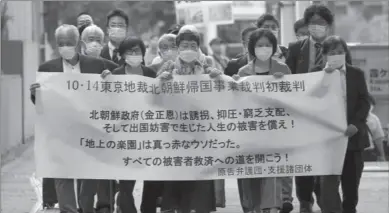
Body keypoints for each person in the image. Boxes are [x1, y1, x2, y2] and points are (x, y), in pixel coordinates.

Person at [30, 24, 113, 213]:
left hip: (90, 131)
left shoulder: (96, 64)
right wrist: (35, 94)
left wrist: (111, 78)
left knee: (88, 178)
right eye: (61, 43)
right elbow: (41, 104)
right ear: (56, 44)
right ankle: (68, 210)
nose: (65, 46)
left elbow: (119, 80)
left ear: (77, 43)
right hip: (61, 133)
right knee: (63, 176)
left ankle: (85, 208)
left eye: (69, 43)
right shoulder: (47, 69)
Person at [157, 29, 223, 213]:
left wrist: (218, 78)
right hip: (174, 132)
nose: (188, 49)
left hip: (200, 131)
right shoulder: (168, 66)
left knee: (199, 178)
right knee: (178, 177)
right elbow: (153, 94)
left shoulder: (207, 64)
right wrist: (160, 81)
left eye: (193, 46)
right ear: (177, 48)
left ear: (198, 47)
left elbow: (221, 92)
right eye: (184, 46)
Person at [233, 28, 291, 213]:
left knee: (272, 173)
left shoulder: (283, 69)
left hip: (275, 132)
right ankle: (251, 208)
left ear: (274, 47)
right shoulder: (243, 72)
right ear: (252, 48)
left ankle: (272, 207)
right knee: (250, 174)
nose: (264, 48)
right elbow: (236, 104)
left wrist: (285, 84)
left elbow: (295, 100)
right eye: (260, 45)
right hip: (249, 132)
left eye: (268, 45)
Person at [285, 5, 335, 212]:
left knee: (324, 159)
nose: (317, 26)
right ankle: (305, 200)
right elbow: (287, 78)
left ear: (329, 26)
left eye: (322, 22)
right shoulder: (296, 49)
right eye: (313, 22)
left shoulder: (337, 48)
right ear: (307, 25)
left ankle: (324, 197)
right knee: (304, 159)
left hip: (329, 114)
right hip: (302, 113)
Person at [318, 35, 370, 213]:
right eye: (332, 52)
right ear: (324, 55)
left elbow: (365, 101)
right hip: (328, 141)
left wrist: (356, 123)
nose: (337, 55)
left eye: (340, 52)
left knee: (351, 188)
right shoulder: (315, 74)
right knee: (327, 188)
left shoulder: (356, 74)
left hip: (353, 138)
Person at [77, 24, 119, 213]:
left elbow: (123, 96)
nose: (93, 43)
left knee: (106, 172)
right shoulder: (72, 68)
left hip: (106, 129)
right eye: (89, 39)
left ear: (103, 44)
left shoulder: (111, 67)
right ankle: (85, 208)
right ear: (82, 43)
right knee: (86, 175)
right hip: (82, 129)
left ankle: (105, 205)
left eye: (97, 40)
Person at [256, 13, 293, 213]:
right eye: (266, 26)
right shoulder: (246, 64)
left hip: (282, 119)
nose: (270, 29)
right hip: (257, 122)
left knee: (284, 160)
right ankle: (267, 202)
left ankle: (286, 198)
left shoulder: (288, 56)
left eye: (273, 26)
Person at [365, 95, 387, 161]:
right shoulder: (349, 116)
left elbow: (378, 139)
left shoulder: (374, 119)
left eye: (371, 104)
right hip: (351, 152)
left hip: (368, 152)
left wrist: (382, 155)